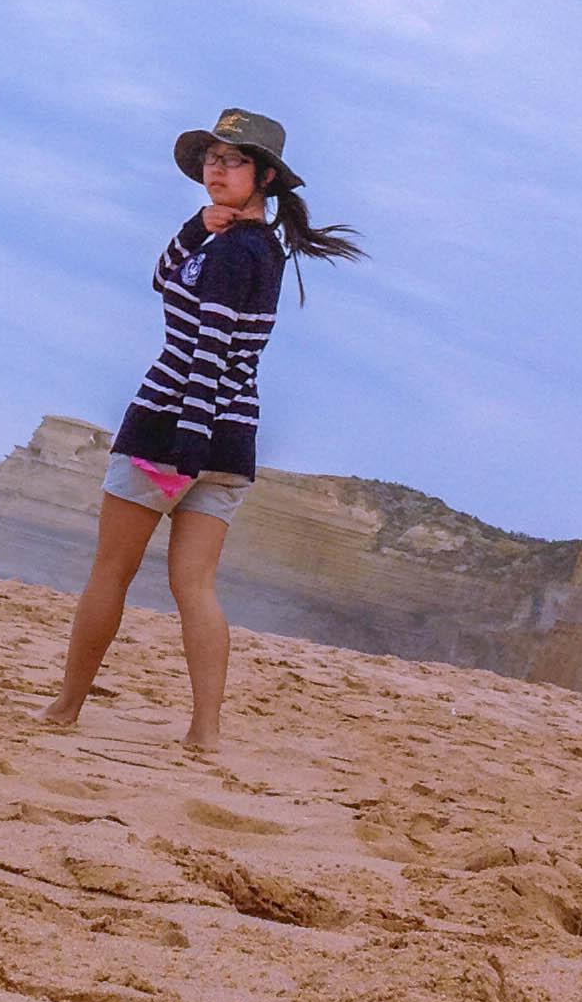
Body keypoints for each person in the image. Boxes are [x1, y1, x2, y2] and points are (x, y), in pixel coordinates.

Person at [39, 107, 364, 755]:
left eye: (232, 160)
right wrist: (196, 226)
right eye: (212, 159)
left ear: (265, 176)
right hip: (231, 437)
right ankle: (206, 733)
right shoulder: (255, 248)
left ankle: (67, 707)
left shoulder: (235, 254)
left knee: (112, 571)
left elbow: (208, 350)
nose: (216, 169)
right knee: (195, 585)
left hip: (172, 428)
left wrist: (184, 450)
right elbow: (163, 278)